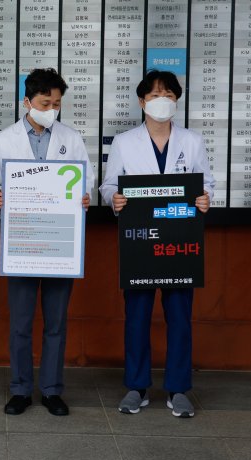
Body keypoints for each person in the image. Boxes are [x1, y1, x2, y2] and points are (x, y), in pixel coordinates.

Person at [100, 69, 215, 418]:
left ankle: (178, 389)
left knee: (180, 316)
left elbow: (206, 183)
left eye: (167, 94)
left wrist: (206, 199)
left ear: (176, 101)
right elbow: (108, 186)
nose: (160, 101)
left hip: (180, 243)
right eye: (153, 95)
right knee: (137, 316)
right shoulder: (124, 142)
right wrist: (114, 200)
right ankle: (137, 386)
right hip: (141, 243)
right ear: (141, 101)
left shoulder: (192, 141)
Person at [0, 68, 93, 416]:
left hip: (60, 245)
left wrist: (85, 197)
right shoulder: (3, 139)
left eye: (57, 103)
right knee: (21, 322)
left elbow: (85, 183)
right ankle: (20, 390)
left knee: (56, 322)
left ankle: (52, 390)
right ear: (27, 101)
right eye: (46, 102)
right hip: (23, 243)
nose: (52, 109)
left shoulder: (71, 138)